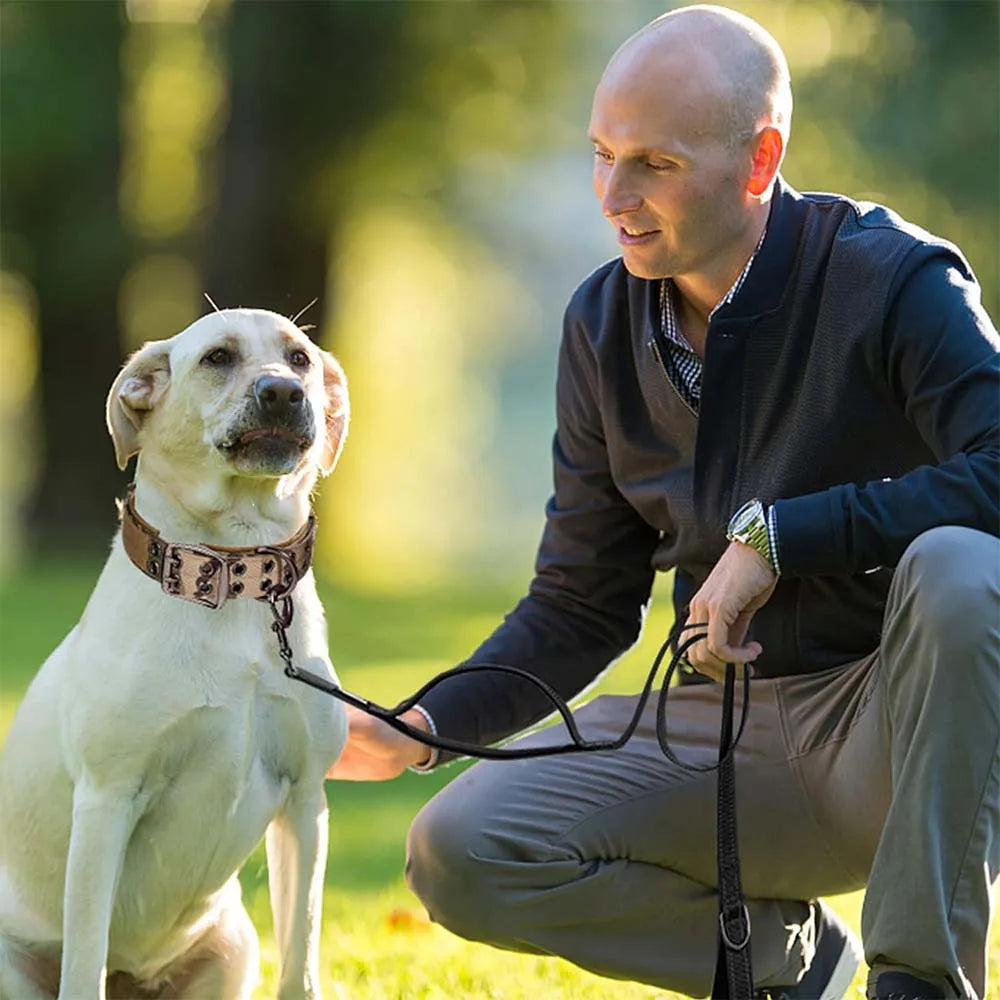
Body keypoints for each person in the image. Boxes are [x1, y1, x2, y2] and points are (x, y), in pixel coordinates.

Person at [329, 6, 1000, 998]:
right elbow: (581, 601)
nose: (614, 195)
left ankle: (919, 982)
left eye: (654, 163)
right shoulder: (602, 324)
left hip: (903, 726)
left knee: (963, 565)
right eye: (602, 154)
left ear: (759, 159)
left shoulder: (894, 278)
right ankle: (790, 964)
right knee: (460, 847)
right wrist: (421, 725)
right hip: (726, 734)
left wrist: (781, 539)